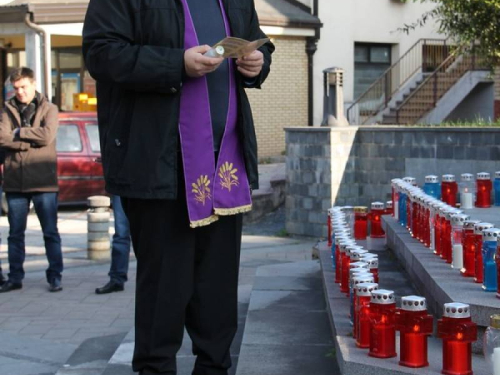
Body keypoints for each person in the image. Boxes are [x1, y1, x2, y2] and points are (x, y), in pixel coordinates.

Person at [83, 0, 274, 374]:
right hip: (161, 165)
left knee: (218, 295)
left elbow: (257, 41)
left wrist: (258, 63)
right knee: (163, 296)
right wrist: (176, 64)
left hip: (225, 166)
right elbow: (101, 54)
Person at [0, 67, 63, 293]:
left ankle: (55, 276)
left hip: (44, 181)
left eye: (23, 87)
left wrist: (19, 133)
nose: (20, 92)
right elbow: (2, 138)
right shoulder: (7, 109)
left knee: (50, 232)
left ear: (33, 84)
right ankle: (15, 277)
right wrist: (28, 140)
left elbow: (47, 136)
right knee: (15, 234)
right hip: (15, 181)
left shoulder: (50, 108)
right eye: (16, 88)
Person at [95, 194, 132, 294]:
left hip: (147, 187)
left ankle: (152, 279)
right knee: (121, 234)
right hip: (122, 186)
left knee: (148, 236)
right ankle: (117, 279)